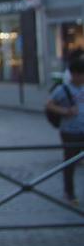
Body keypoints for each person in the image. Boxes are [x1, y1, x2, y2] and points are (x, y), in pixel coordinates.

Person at [45, 57, 84, 204]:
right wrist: (66, 111)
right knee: (70, 162)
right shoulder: (63, 89)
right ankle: (69, 192)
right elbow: (49, 104)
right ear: (75, 74)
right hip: (70, 131)